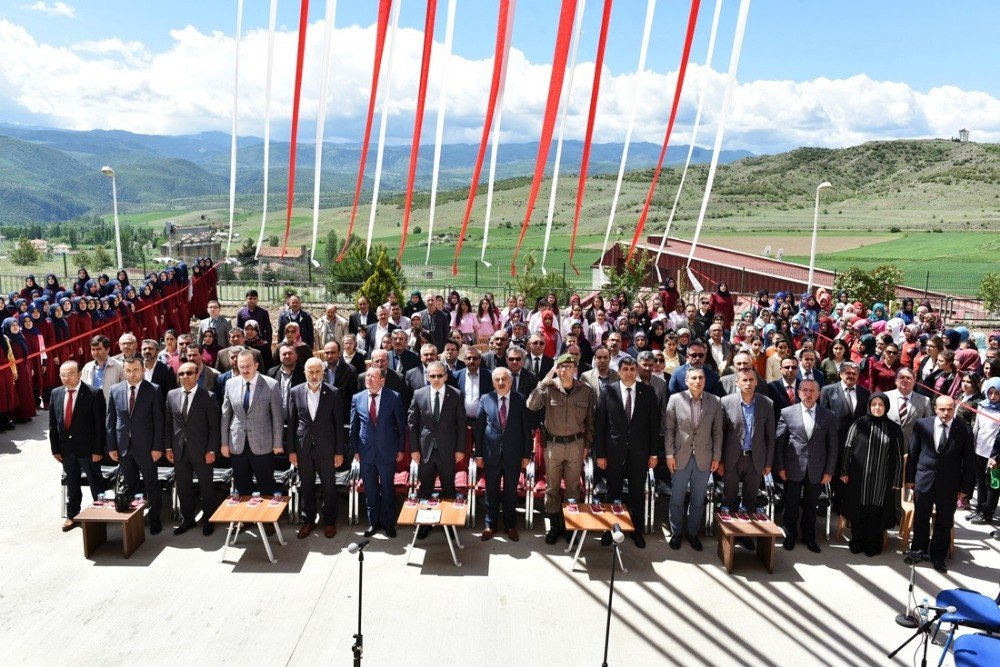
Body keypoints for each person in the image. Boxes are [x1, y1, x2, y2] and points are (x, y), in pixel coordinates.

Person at [527, 353, 596, 545]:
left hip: (576, 445)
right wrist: (544, 382)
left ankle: (569, 526)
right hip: (553, 446)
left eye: (568, 366)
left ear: (575, 369)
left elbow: (590, 421)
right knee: (552, 489)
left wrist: (587, 444)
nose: (564, 370)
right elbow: (531, 405)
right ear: (556, 369)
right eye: (560, 367)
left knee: (573, 488)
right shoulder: (549, 389)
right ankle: (554, 527)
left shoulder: (585, 391)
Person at [594, 357, 660, 548]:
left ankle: (636, 532)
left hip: (640, 453)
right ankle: (610, 529)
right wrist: (601, 454)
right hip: (614, 452)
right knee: (612, 492)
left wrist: (653, 454)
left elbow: (654, 425)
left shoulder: (647, 392)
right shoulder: (608, 391)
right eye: (625, 369)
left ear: (637, 371)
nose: (629, 372)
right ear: (619, 371)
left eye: (632, 369)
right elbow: (600, 425)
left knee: (636, 494)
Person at [906, 396, 976, 573]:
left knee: (944, 521)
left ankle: (938, 556)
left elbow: (969, 461)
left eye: (950, 409)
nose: (946, 413)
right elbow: (913, 453)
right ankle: (918, 550)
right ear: (935, 409)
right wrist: (910, 478)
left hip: (950, 483)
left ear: (954, 409)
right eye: (942, 409)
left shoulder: (964, 430)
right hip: (924, 479)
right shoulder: (922, 425)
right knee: (921, 517)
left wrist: (965, 488)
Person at [775, 379, 838, 553]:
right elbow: (779, 442)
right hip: (792, 467)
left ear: (818, 393)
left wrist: (829, 471)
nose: (808, 394)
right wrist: (780, 467)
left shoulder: (828, 415)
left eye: (812, 390)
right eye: (804, 390)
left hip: (817, 470)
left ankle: (809, 537)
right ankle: (789, 536)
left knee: (811, 507)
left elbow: (833, 447)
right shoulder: (787, 412)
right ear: (798, 392)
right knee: (791, 505)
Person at [665, 367, 723, 551]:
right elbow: (669, 430)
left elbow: (718, 432)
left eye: (701, 378)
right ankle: (676, 532)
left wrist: (716, 457)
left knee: (698, 498)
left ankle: (692, 533)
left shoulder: (715, 401)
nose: (698, 381)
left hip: (704, 457)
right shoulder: (675, 399)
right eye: (694, 378)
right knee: (677, 497)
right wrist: (669, 455)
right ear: (686, 381)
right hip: (680, 456)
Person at [838, 393, 904, 556]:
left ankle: (873, 545)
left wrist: (897, 479)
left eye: (881, 405)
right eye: (874, 404)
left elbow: (898, 455)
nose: (877, 407)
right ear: (869, 405)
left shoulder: (894, 428)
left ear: (886, 407)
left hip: (883, 480)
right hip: (859, 477)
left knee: (877, 512)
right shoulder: (859, 423)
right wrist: (844, 470)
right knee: (858, 510)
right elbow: (848, 447)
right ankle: (857, 542)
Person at [407, 361, 467, 539]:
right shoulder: (419, 394)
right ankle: (425, 525)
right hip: (425, 451)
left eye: (439, 375)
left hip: (448, 450)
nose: (436, 379)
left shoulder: (455, 394)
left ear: (446, 376)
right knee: (425, 489)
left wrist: (460, 449)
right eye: (432, 376)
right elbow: (412, 424)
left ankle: (448, 525)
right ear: (427, 376)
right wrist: (414, 449)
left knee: (448, 489)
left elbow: (461, 424)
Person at [287, 357, 346, 538]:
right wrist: (291, 450)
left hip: (326, 449)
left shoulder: (333, 393)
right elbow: (292, 422)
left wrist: (339, 451)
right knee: (306, 486)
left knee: (329, 486)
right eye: (310, 372)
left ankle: (330, 521)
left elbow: (338, 425)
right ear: (305, 372)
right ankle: (309, 520)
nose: (314, 375)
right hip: (303, 447)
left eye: (317, 371)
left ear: (323, 372)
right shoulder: (295, 392)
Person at [106, 358, 166, 534]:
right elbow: (110, 420)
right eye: (128, 370)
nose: (132, 374)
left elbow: (158, 421)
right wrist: (111, 446)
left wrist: (157, 447)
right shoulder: (115, 390)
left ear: (142, 370)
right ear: (124, 370)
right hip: (123, 446)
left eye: (136, 370)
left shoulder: (153, 390)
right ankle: (134, 519)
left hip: (146, 447)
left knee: (151, 484)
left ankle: (155, 518)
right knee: (130, 485)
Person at [475, 367, 532, 541]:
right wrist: (479, 454)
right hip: (491, 454)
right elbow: (479, 428)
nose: (501, 382)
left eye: (504, 379)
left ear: (510, 381)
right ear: (493, 382)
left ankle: (510, 525)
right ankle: (490, 524)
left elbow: (526, 430)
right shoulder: (485, 399)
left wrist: (526, 455)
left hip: (513, 455)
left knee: (510, 492)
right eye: (497, 379)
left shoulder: (520, 399)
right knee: (491, 490)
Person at [720, 368, 776, 548]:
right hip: (732, 459)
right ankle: (729, 535)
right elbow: (720, 434)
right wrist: (720, 460)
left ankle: (745, 536)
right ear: (737, 382)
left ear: (757, 382)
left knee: (750, 499)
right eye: (744, 380)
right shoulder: (725, 402)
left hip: (755, 459)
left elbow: (770, 437)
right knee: (729, 498)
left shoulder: (767, 403)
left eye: (751, 380)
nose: (748, 383)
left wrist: (768, 463)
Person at [165, 361, 222, 536]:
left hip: (202, 451)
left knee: (206, 488)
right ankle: (187, 519)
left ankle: (208, 519)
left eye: (189, 373)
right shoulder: (171, 395)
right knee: (183, 487)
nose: (185, 377)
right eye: (181, 374)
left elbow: (214, 427)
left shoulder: (208, 396)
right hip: (179, 450)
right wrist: (168, 447)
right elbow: (168, 424)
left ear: (198, 375)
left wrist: (211, 450)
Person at [50, 361, 107, 531]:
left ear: (79, 374)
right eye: (63, 375)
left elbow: (99, 426)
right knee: (72, 483)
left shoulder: (93, 393)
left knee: (96, 483)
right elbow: (53, 423)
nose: (66, 378)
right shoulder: (56, 393)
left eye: (70, 374)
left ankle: (101, 514)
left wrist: (98, 450)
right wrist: (55, 448)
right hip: (67, 449)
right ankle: (72, 515)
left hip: (88, 449)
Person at [350, 367, 406, 538]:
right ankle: (373, 523)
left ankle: (389, 523)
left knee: (388, 489)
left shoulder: (394, 397)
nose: (369, 379)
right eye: (367, 376)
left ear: (382, 380)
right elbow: (354, 427)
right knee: (371, 490)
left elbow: (401, 426)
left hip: (387, 451)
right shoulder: (357, 398)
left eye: (373, 376)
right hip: (366, 453)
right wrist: (355, 450)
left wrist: (401, 448)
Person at [221, 350, 285, 496]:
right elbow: (225, 415)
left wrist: (277, 444)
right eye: (241, 366)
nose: (245, 370)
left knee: (267, 485)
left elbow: (277, 417)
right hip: (237, 444)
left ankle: (267, 518)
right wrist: (224, 443)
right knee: (242, 487)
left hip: (263, 444)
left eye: (248, 366)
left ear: (256, 365)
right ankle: (246, 519)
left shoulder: (271, 384)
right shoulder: (230, 384)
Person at [969, 378, 1000, 525]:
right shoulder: (982, 406)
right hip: (979, 448)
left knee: (992, 484)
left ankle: (988, 513)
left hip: (993, 453)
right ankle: (980, 509)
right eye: (990, 393)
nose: (993, 396)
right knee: (980, 481)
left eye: (997, 393)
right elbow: (977, 427)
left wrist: (996, 456)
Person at [885, 368, 932, 444]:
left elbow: (928, 426)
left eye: (908, 378)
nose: (905, 380)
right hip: (888, 444)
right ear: (895, 381)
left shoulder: (925, 401)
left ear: (914, 381)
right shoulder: (885, 397)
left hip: (912, 447)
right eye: (901, 377)